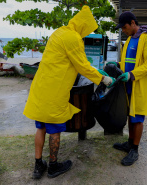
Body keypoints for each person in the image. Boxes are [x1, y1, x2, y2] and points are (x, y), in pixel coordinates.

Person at [23, 5, 115, 179]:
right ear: (83, 25)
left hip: (40, 87)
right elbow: (82, 65)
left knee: (41, 127)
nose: (87, 34)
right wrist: (103, 79)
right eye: (87, 30)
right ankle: (53, 166)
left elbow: (68, 61)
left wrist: (94, 70)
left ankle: (38, 166)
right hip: (54, 92)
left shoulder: (59, 32)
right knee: (55, 128)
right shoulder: (73, 37)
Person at [112, 11, 147, 166]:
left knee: (137, 117)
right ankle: (129, 142)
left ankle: (135, 150)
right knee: (130, 114)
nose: (123, 31)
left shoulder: (146, 39)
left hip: (139, 84)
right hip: (128, 84)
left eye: (124, 27)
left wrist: (131, 74)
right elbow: (128, 61)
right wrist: (118, 66)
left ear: (133, 23)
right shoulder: (128, 41)